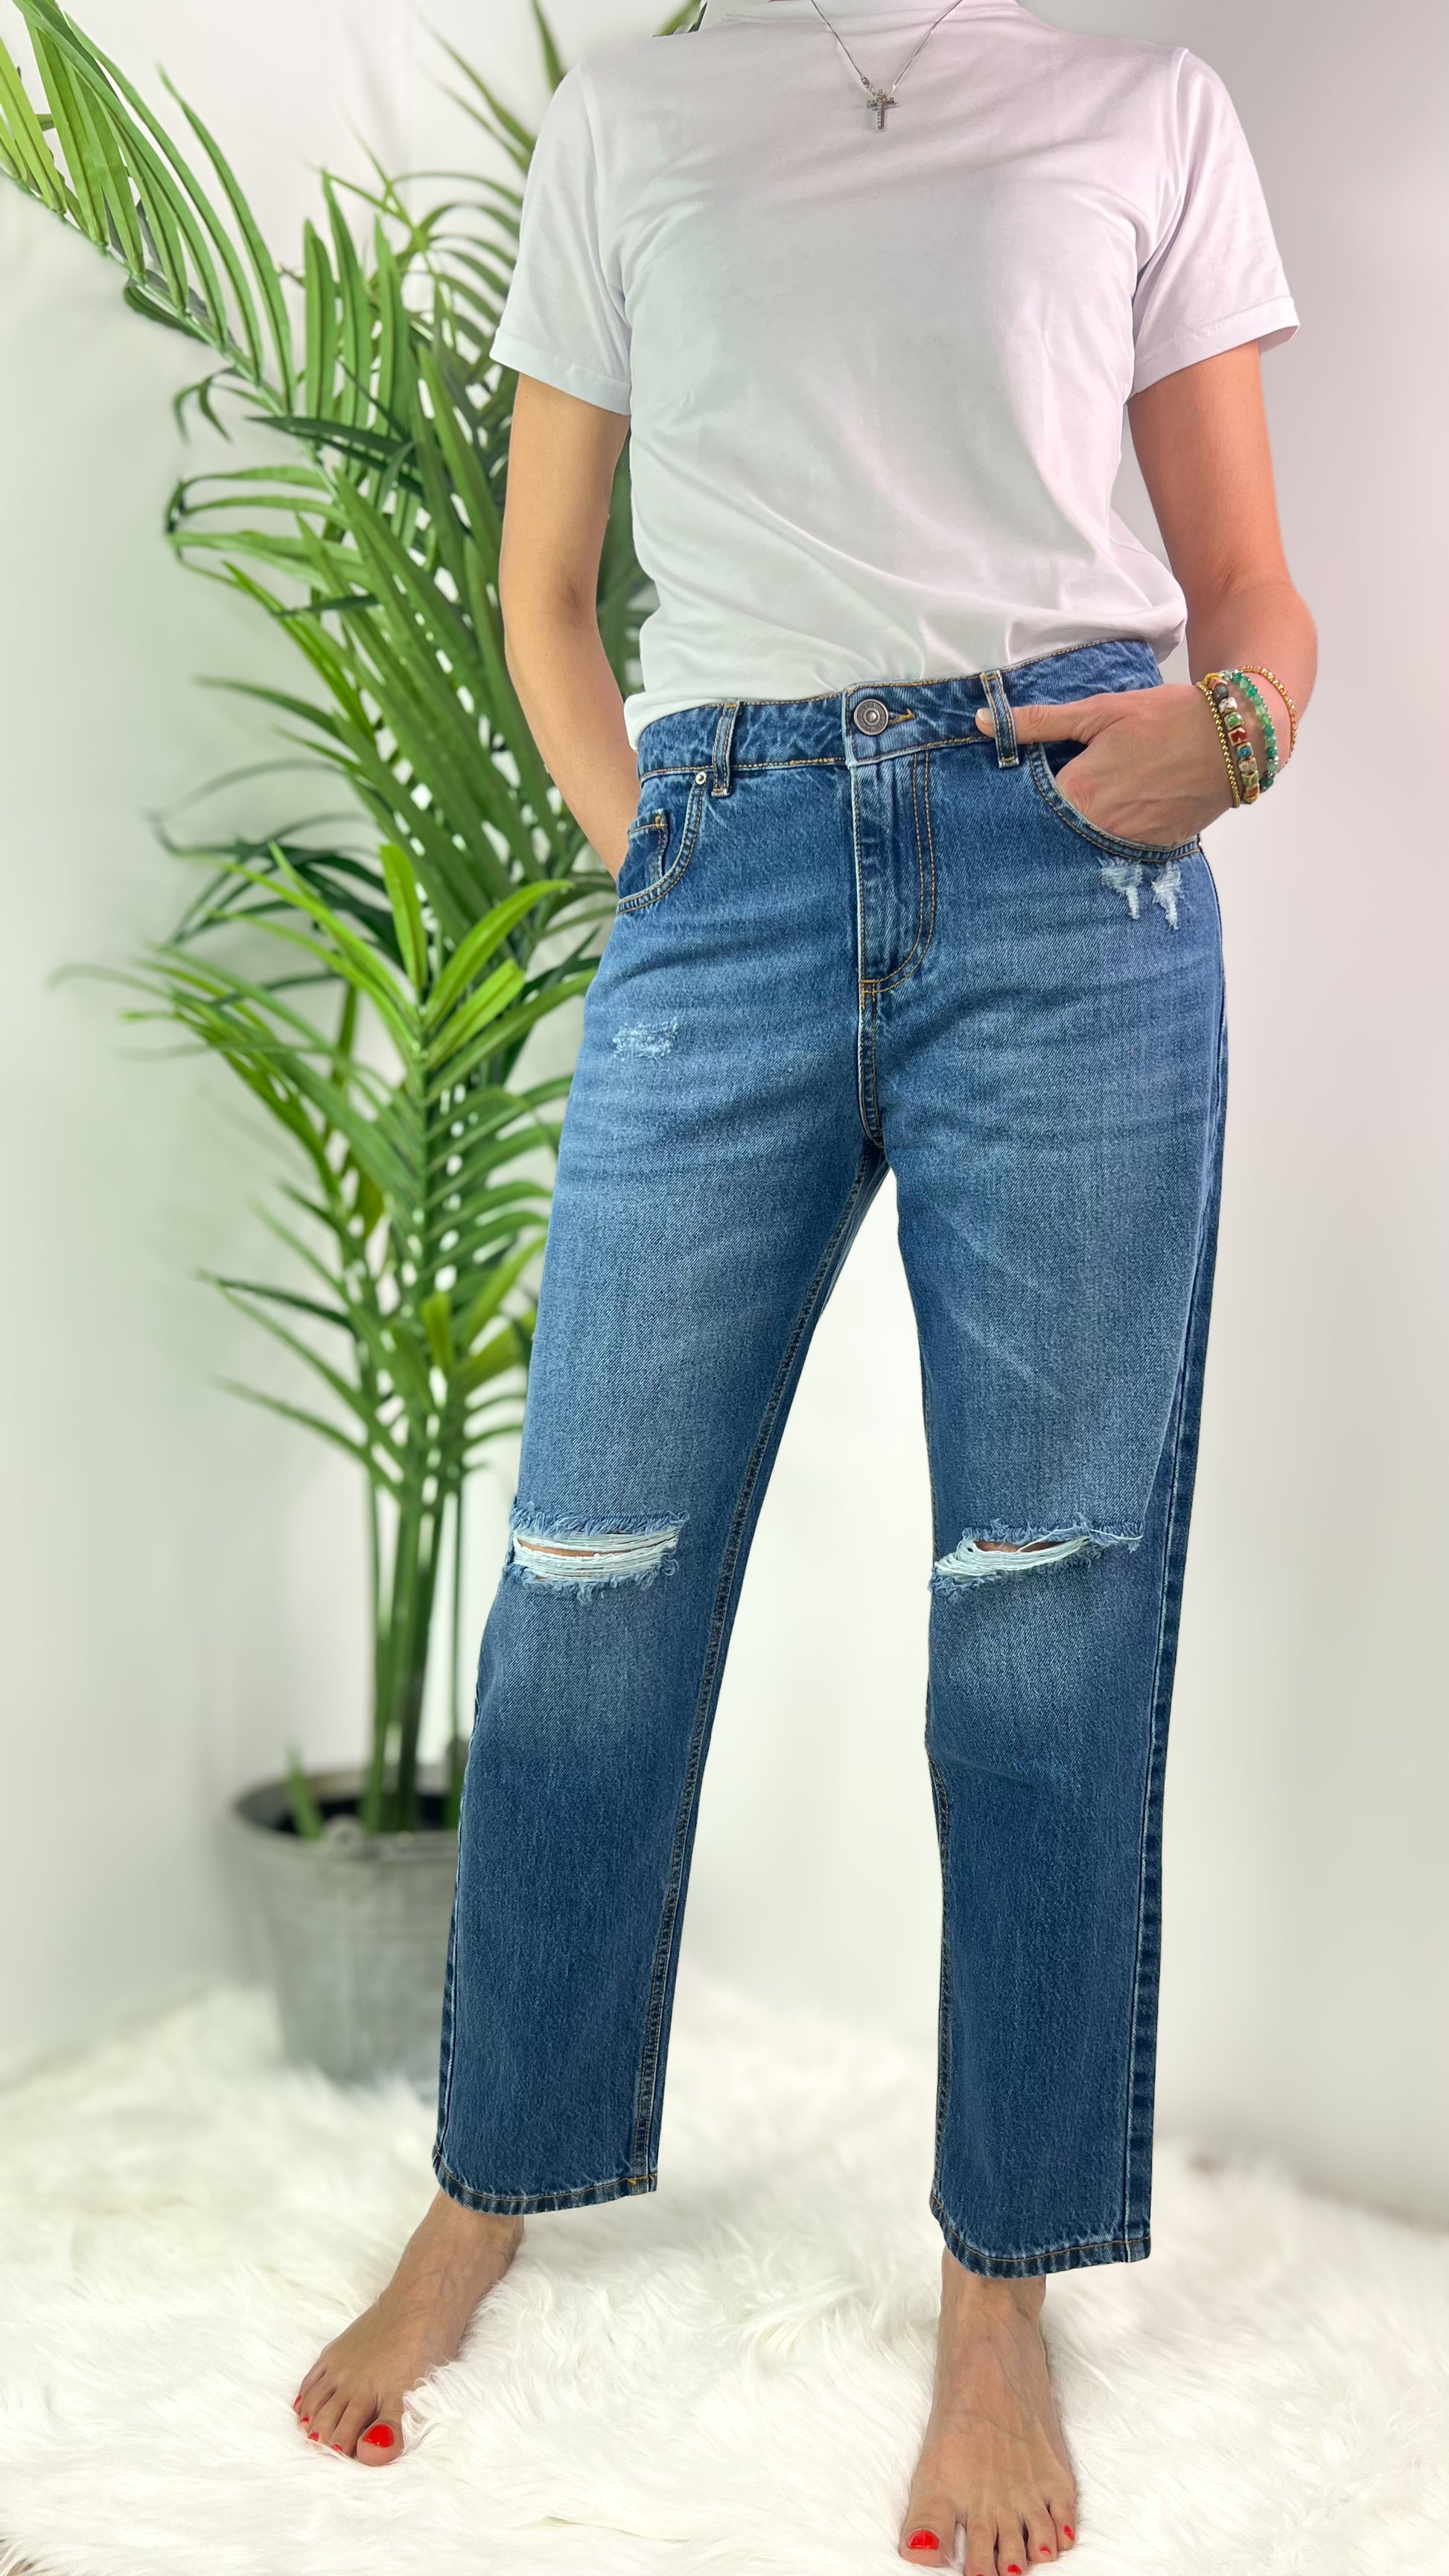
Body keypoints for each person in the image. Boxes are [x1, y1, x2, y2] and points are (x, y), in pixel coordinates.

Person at [292, 1, 1314, 2563]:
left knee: (1043, 1607)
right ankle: (491, 2180)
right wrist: (652, 854)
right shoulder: (633, 111)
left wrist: (1237, 734)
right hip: (722, 865)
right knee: (589, 1575)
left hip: (1065, 879)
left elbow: (1249, 595)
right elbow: (544, 588)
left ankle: (997, 2288)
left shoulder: (1136, 104)